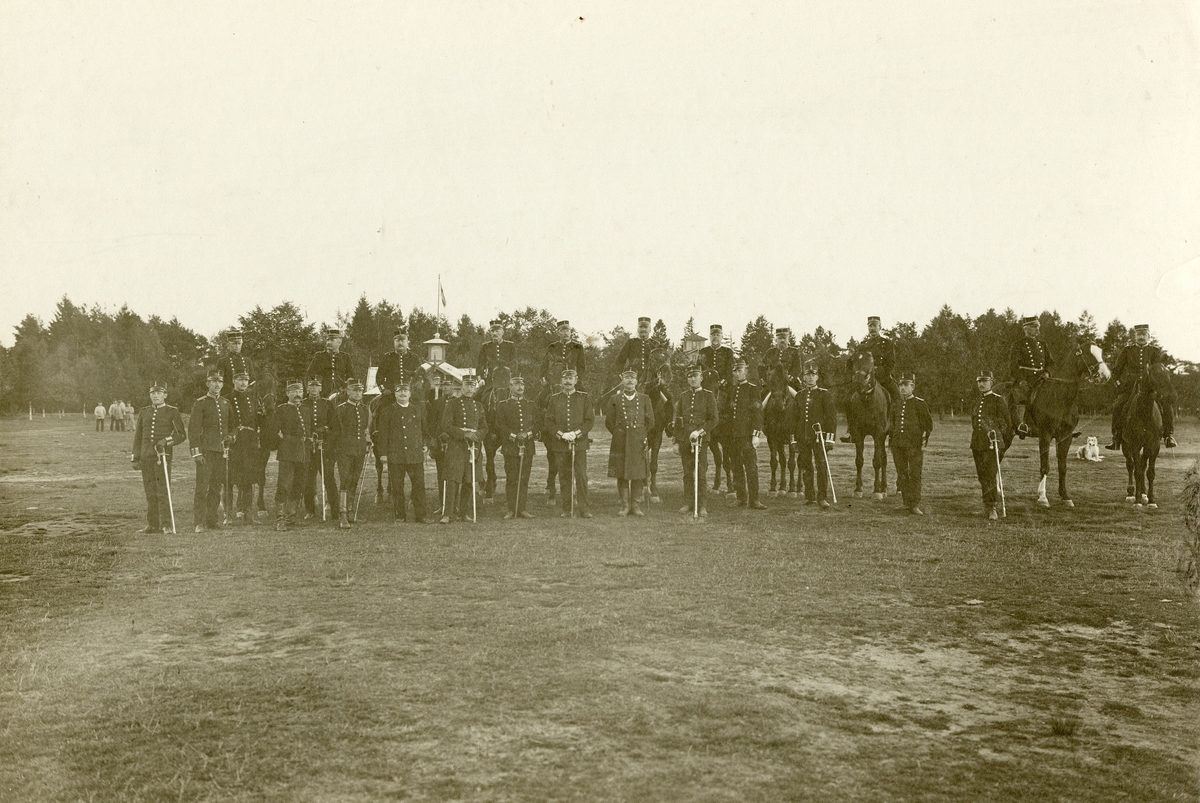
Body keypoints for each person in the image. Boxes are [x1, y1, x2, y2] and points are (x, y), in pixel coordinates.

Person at [1107, 324, 1177, 450]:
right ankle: (1116, 437)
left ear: (1148, 336)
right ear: (1134, 336)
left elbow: (1158, 370)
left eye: (1143, 334)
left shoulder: (1155, 351)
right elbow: (1116, 371)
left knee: (1166, 405)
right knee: (1118, 405)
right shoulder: (1127, 350)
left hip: (1150, 387)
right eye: (1138, 334)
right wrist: (1119, 385)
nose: (1141, 337)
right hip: (1129, 387)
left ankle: (1168, 436)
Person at [130, 381, 186, 533]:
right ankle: (153, 524)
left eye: (158, 393)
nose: (155, 396)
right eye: (152, 393)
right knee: (150, 491)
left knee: (163, 491)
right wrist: (135, 457)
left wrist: (166, 441)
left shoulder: (172, 411)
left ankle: (166, 524)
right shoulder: (144, 412)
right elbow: (138, 436)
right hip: (146, 457)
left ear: (165, 395)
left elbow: (181, 435)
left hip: (162, 457)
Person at [374, 380, 430, 523]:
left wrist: (425, 444)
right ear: (396, 394)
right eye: (399, 391)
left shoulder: (417, 409)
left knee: (419, 486)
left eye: (405, 391)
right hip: (396, 456)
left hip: (415, 455)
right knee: (397, 487)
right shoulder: (388, 411)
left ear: (410, 393)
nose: (403, 394)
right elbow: (383, 435)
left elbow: (424, 429)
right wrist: (383, 454)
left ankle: (421, 516)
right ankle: (400, 516)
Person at [188, 370, 234, 533]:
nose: (217, 385)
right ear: (207, 384)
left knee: (216, 487)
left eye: (220, 382)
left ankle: (212, 520)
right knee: (202, 488)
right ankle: (199, 522)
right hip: (206, 452)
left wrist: (231, 437)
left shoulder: (226, 403)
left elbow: (232, 426)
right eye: (213, 382)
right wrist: (197, 453)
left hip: (221, 452)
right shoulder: (200, 403)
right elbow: (193, 430)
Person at [605, 369, 655, 517]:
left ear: (636, 382)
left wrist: (641, 433)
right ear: (622, 381)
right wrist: (619, 433)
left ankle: (635, 505)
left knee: (638, 473)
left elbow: (651, 421)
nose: (629, 381)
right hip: (620, 440)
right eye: (626, 378)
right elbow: (609, 422)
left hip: (638, 440)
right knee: (622, 473)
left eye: (632, 379)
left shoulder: (645, 398)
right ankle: (624, 505)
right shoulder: (614, 399)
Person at [545, 368, 594, 518]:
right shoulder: (554, 399)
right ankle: (567, 508)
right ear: (561, 381)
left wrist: (576, 433)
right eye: (565, 378)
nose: (567, 381)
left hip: (579, 444)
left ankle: (584, 508)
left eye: (570, 378)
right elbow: (549, 421)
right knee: (564, 476)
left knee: (581, 476)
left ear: (576, 380)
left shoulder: (584, 398)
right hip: (560, 444)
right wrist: (562, 434)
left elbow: (589, 420)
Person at [440, 371, 487, 523]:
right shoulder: (452, 403)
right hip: (456, 446)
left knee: (469, 479)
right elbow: (446, 425)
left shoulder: (479, 406)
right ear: (461, 387)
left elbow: (484, 427)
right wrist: (464, 434)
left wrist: (477, 436)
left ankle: (464, 513)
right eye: (466, 385)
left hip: (473, 447)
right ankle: (448, 513)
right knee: (453, 479)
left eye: (472, 386)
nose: (468, 389)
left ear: (475, 389)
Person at [789, 359, 837, 509]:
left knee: (821, 466)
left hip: (819, 438)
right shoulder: (799, 396)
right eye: (807, 375)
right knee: (805, 466)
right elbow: (794, 419)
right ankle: (810, 496)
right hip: (803, 437)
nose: (810, 377)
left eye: (813, 374)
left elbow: (831, 419)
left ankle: (822, 497)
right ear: (803, 377)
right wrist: (794, 440)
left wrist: (829, 440)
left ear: (817, 377)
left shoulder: (824, 394)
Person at [674, 364, 719, 517]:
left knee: (700, 472)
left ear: (701, 378)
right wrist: (676, 441)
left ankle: (702, 506)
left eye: (695, 376)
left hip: (701, 440)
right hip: (685, 440)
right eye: (690, 376)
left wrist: (699, 432)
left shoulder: (708, 395)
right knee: (687, 472)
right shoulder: (683, 396)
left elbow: (714, 420)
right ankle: (688, 503)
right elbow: (678, 420)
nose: (693, 379)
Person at [495, 373, 540, 519]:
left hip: (527, 446)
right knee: (512, 478)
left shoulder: (531, 404)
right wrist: (514, 436)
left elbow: (537, 424)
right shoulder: (503, 405)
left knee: (524, 478)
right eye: (516, 384)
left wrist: (528, 434)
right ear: (510, 387)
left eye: (522, 384)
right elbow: (500, 425)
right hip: (511, 446)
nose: (520, 387)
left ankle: (522, 509)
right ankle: (511, 509)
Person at [970, 370, 1013, 521]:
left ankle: (992, 507)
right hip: (977, 443)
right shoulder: (976, 401)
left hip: (992, 444)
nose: (981, 384)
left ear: (992, 382)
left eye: (985, 381)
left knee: (989, 475)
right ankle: (986, 505)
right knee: (982, 476)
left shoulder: (998, 400)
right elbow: (974, 422)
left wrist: (1000, 442)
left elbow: (1007, 423)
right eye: (979, 381)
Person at [887, 372, 933, 515]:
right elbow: (892, 424)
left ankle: (914, 504)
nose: (902, 388)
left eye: (906, 385)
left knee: (914, 474)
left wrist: (923, 439)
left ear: (912, 386)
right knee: (901, 474)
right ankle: (906, 503)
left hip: (914, 445)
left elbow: (928, 425)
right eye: (900, 385)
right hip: (897, 444)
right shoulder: (896, 404)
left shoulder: (920, 403)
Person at [269, 380, 310, 531]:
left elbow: (309, 429)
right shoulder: (281, 410)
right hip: (287, 451)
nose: (297, 394)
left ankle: (291, 515)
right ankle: (280, 518)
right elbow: (273, 431)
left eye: (299, 391)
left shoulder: (306, 410)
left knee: (299, 484)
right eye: (293, 392)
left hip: (304, 452)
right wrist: (283, 443)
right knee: (284, 485)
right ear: (287, 394)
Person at [727, 358, 767, 509]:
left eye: (740, 370)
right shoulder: (732, 390)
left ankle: (754, 500)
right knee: (736, 467)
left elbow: (757, 413)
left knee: (751, 468)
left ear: (746, 371)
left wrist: (756, 434)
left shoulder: (753, 389)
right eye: (735, 371)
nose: (738, 373)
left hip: (747, 436)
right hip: (734, 436)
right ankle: (741, 498)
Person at [333, 378, 371, 528]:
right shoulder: (341, 409)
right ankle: (342, 514)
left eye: (360, 390)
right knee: (345, 479)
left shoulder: (363, 409)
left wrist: (367, 440)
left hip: (359, 449)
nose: (357, 393)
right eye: (354, 390)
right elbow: (335, 432)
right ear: (348, 391)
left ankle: (349, 511)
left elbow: (364, 429)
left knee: (355, 479)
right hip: (344, 450)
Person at [1009, 315, 1053, 438]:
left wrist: (1047, 372)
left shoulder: (1043, 344)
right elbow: (1013, 366)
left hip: (1042, 378)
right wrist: (1021, 379)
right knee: (1023, 397)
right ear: (1027, 329)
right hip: (1025, 379)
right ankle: (1022, 425)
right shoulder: (1018, 344)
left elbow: (1051, 362)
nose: (1038, 329)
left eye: (1038, 327)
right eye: (1035, 327)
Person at [299, 377, 336, 520]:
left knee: (329, 478)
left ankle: (335, 508)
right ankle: (310, 510)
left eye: (317, 386)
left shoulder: (327, 404)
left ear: (320, 388)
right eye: (311, 387)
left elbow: (333, 424)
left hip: (324, 447)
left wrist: (325, 431)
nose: (314, 389)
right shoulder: (303, 404)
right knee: (308, 479)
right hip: (308, 447)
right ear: (307, 389)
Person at [227, 371, 259, 523]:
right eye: (240, 380)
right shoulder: (227, 398)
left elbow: (258, 419)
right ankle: (229, 514)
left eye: (246, 380)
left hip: (250, 441)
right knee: (230, 478)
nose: (243, 383)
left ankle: (248, 513)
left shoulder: (253, 398)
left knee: (249, 477)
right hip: (234, 441)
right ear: (234, 381)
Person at [848, 316, 898, 401]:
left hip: (883, 379)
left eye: (875, 326)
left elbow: (891, 363)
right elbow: (854, 362)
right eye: (870, 326)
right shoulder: (862, 345)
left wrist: (876, 371)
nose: (872, 328)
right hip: (864, 379)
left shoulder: (887, 344)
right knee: (848, 398)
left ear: (880, 327)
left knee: (897, 397)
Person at [376, 327, 426, 406]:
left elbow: (419, 376)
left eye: (403, 340)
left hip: (409, 393)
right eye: (397, 340)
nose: (400, 343)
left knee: (425, 407)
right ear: (394, 342)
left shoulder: (414, 358)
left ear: (407, 342)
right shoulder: (387, 357)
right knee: (380, 408)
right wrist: (384, 390)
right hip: (391, 393)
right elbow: (379, 376)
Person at [307, 327, 356, 401]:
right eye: (327, 340)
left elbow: (351, 376)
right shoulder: (319, 356)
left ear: (339, 342)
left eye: (332, 340)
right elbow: (310, 374)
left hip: (341, 392)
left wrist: (345, 389)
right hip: (322, 392)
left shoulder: (345, 357)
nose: (328, 342)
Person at [541, 320, 586, 388]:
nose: (566, 333)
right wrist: (543, 377)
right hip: (555, 379)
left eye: (567, 330)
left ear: (570, 332)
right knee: (542, 397)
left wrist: (578, 379)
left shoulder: (577, 347)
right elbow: (545, 364)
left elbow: (581, 366)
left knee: (583, 395)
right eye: (563, 331)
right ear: (558, 333)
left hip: (572, 380)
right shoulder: (552, 346)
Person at [761, 327, 802, 392]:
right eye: (780, 338)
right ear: (776, 340)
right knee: (761, 398)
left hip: (790, 383)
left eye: (784, 338)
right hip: (772, 384)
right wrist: (766, 378)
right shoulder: (770, 352)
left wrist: (790, 377)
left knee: (800, 397)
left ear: (788, 339)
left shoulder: (795, 352)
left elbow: (798, 368)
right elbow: (761, 367)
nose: (782, 340)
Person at [477, 320, 517, 385]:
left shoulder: (510, 346)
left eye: (497, 331)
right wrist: (480, 379)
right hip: (490, 380)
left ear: (502, 332)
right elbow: (480, 364)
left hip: (507, 379)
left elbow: (513, 363)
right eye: (492, 331)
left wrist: (512, 377)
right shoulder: (485, 347)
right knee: (478, 394)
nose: (494, 333)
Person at [217, 329, 253, 397]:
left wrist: (247, 389)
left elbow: (253, 380)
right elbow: (219, 381)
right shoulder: (223, 361)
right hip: (229, 395)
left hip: (246, 395)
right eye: (234, 343)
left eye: (239, 343)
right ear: (228, 345)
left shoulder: (248, 361)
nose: (237, 346)